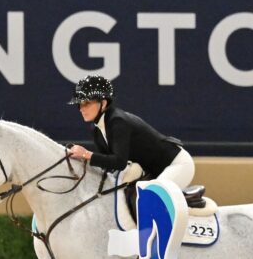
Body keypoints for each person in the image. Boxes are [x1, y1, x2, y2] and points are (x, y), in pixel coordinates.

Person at [66, 75, 196, 193]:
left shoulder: (117, 122)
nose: (81, 109)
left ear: (103, 103)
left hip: (177, 164)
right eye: (79, 104)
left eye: (86, 103)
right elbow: (107, 165)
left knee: (152, 196)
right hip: (155, 171)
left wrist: (86, 154)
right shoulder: (96, 128)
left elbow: (119, 162)